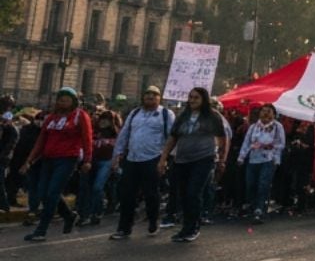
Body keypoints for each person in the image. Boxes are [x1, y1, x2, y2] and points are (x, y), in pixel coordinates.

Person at [18, 87, 92, 241]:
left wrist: (87, 160)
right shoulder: (51, 118)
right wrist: (29, 161)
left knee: (52, 193)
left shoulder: (80, 116)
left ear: (73, 101)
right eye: (60, 99)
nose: (62, 102)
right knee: (43, 193)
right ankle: (69, 215)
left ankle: (41, 230)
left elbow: (87, 139)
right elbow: (41, 141)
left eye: (66, 99)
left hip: (67, 159)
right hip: (48, 159)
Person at [159, 87, 227, 243]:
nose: (192, 100)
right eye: (190, 97)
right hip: (182, 160)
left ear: (203, 99)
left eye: (196, 97)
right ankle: (185, 228)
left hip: (203, 159)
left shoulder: (212, 116)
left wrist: (221, 157)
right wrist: (163, 158)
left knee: (193, 193)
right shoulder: (183, 116)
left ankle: (193, 228)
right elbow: (172, 138)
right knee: (183, 194)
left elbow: (222, 138)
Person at [110, 86, 174, 239]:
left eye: (154, 94)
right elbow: (124, 134)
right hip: (132, 159)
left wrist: (165, 159)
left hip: (153, 159)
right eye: (147, 94)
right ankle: (124, 228)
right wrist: (117, 154)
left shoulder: (165, 114)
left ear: (160, 98)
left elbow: (172, 138)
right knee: (127, 195)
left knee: (151, 194)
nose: (150, 96)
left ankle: (153, 222)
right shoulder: (135, 113)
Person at [236, 103, 285, 224]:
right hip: (253, 159)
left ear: (274, 114)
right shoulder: (253, 127)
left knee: (263, 184)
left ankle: (259, 210)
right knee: (251, 184)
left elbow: (281, 144)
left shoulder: (277, 127)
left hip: (268, 159)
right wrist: (241, 157)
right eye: (263, 111)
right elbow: (247, 142)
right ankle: (253, 207)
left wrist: (271, 148)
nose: (266, 113)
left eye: (269, 111)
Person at [77, 110, 119, 226]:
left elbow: (120, 149)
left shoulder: (116, 134)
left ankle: (97, 212)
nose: (104, 122)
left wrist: (116, 162)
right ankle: (89, 213)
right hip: (92, 161)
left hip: (107, 162)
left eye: (107, 119)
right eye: (102, 118)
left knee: (97, 187)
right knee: (87, 188)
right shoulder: (93, 131)